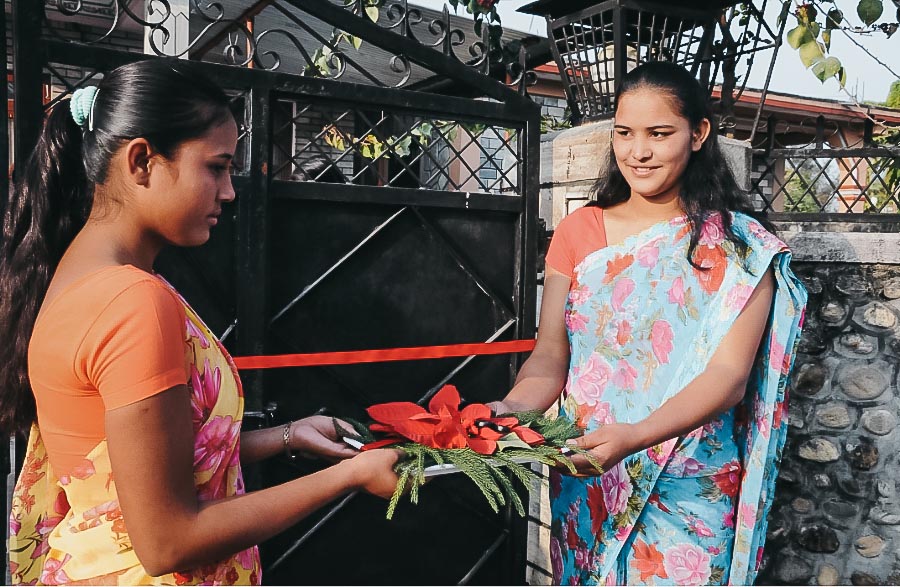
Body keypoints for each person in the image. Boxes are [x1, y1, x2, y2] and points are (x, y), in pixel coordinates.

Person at [0, 59, 400, 585]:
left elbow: (136, 465)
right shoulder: (133, 302)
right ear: (142, 161)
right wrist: (348, 476)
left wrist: (289, 437)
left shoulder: (76, 280)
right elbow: (169, 540)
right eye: (217, 167)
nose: (230, 192)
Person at [488, 61, 807, 586]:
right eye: (624, 133)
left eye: (659, 134)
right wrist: (510, 412)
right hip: (588, 469)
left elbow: (728, 379)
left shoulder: (739, 247)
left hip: (688, 480)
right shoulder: (578, 232)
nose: (638, 151)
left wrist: (636, 436)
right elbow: (550, 358)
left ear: (698, 133)